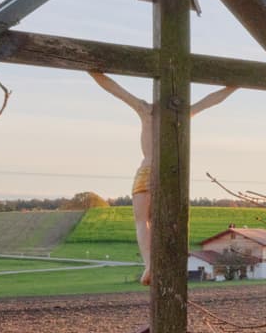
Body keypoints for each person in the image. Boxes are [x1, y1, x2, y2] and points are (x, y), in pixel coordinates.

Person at [89, 72, 237, 283]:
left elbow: (114, 89)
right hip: (171, 173)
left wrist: (93, 72)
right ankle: (161, 262)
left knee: (142, 220)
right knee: (167, 221)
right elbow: (212, 100)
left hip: (149, 168)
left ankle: (150, 263)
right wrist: (233, 87)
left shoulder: (145, 109)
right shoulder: (181, 113)